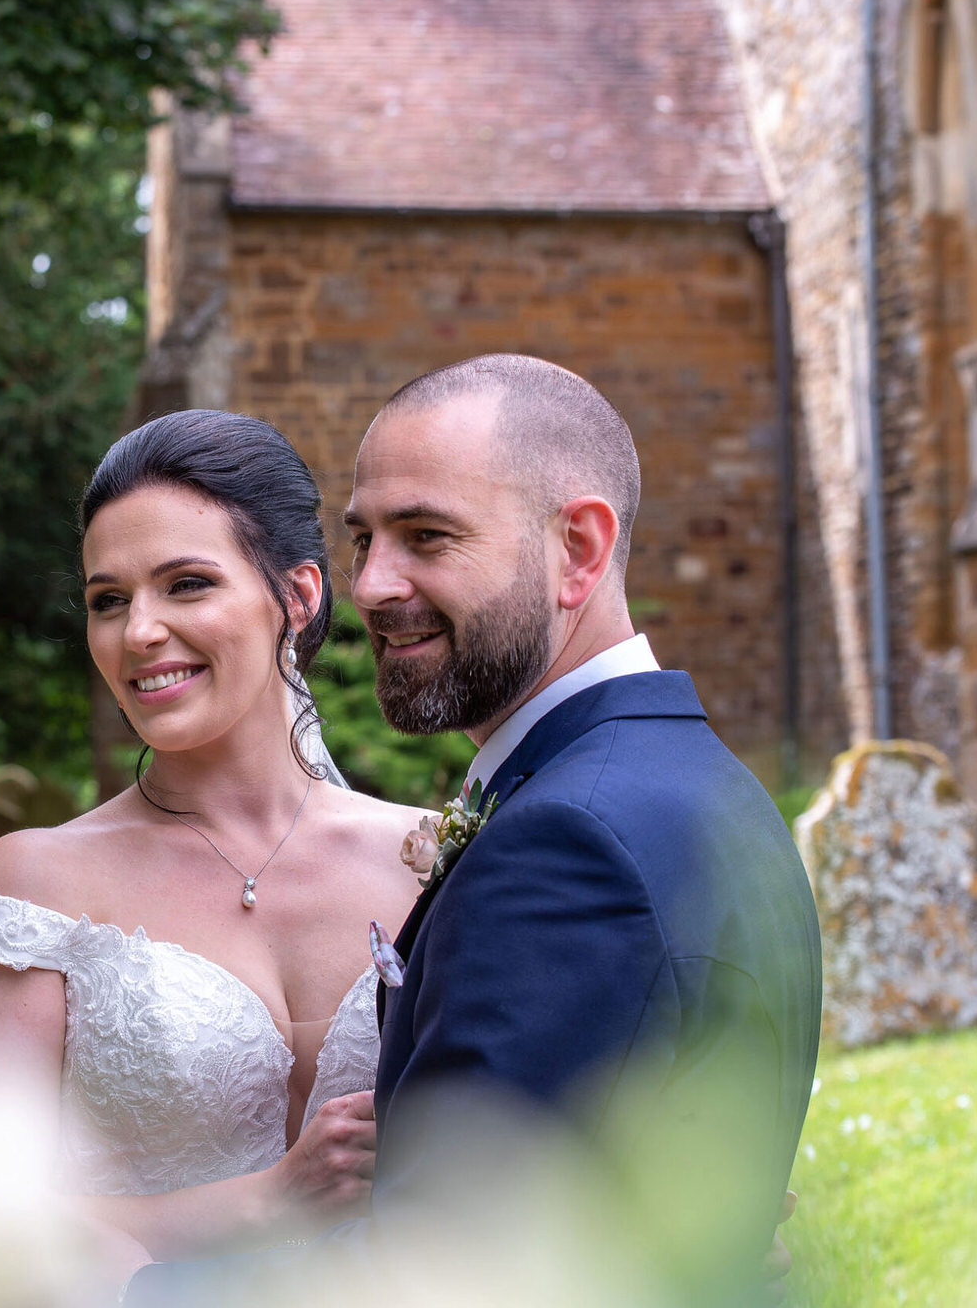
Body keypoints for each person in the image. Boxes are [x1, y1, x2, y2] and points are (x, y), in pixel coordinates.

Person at [120, 354, 823, 1307]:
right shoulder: (705, 786)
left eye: (426, 535)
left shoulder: (566, 843)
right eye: (363, 538)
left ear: (578, 549)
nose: (369, 584)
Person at [0, 409, 421, 1264]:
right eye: (107, 600)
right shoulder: (30, 885)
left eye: (186, 584)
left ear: (297, 597)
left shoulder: (433, 857)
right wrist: (262, 1201)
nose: (137, 631)